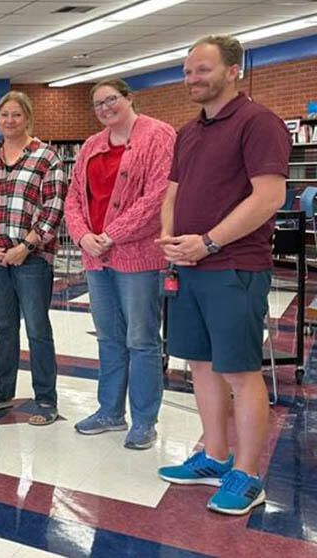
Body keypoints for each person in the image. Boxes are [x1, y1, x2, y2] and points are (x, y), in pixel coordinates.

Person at [156, 35, 289, 515]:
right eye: (188, 70)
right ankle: (213, 456)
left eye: (203, 69)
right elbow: (172, 193)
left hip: (234, 266)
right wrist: (172, 238)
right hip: (188, 266)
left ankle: (248, 474)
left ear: (234, 69)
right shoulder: (188, 131)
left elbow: (268, 197)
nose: (192, 78)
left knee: (238, 369)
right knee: (201, 365)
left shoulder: (259, 123)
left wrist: (209, 240)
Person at [64, 79, 175, 449]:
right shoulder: (92, 146)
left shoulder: (158, 135)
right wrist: (83, 237)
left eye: (111, 100)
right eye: (97, 104)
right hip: (96, 258)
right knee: (109, 337)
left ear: (129, 99)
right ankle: (110, 411)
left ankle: (145, 420)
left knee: (141, 339)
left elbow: (158, 196)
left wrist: (112, 234)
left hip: (138, 256)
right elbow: (74, 199)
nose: (105, 108)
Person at [0, 91, 68, 426]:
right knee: (4, 326)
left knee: (37, 328)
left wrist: (25, 245)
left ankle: (45, 399)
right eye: (4, 116)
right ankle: (2, 391)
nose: (10, 121)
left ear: (28, 118)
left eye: (16, 115)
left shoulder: (46, 158)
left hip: (31, 258)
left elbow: (54, 207)